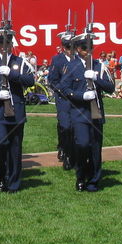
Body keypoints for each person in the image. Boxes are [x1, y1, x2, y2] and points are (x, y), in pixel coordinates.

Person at [0, 20, 35, 193]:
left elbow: (30, 80)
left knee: (15, 148)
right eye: (0, 43)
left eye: (7, 43)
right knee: (0, 142)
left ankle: (14, 183)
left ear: (11, 44)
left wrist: (12, 74)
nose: (4, 46)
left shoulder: (20, 61)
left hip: (16, 111)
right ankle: (1, 174)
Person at [58, 27, 115, 192]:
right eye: (84, 48)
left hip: (96, 112)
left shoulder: (99, 66)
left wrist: (97, 78)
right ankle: (81, 175)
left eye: (90, 48)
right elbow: (64, 88)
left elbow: (111, 87)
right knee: (82, 145)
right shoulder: (73, 66)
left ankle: (94, 180)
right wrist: (81, 96)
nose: (88, 51)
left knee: (96, 148)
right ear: (78, 49)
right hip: (79, 112)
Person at [48, 29, 76, 171]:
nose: (70, 49)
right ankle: (65, 150)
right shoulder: (57, 60)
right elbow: (52, 80)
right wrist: (62, 90)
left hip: (77, 99)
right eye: (68, 46)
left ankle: (73, 153)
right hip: (63, 99)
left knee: (76, 127)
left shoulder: (79, 60)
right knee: (65, 126)